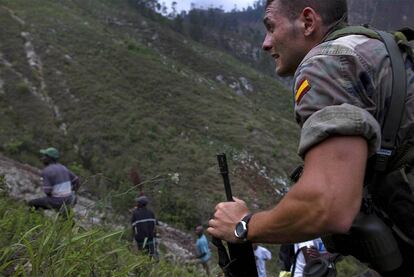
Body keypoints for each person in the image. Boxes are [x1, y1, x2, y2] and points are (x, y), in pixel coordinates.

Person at [207, 0, 414, 276]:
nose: (266, 44)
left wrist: (244, 225)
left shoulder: (327, 62)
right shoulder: (383, 52)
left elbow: (329, 204)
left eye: (271, 28)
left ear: (307, 22)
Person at [28, 147, 79, 213]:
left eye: (44, 156)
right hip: (70, 199)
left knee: (32, 203)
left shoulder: (46, 171)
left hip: (58, 201)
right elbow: (77, 180)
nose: (42, 158)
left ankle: (33, 220)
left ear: (49, 158)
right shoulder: (63, 167)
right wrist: (73, 192)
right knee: (63, 215)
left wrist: (53, 198)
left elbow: (48, 191)